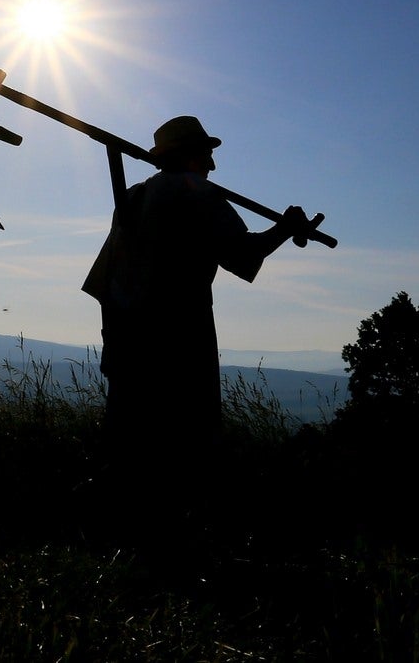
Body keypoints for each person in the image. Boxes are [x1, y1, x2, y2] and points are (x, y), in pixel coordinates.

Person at [81, 115, 318, 528]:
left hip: (127, 337)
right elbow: (242, 255)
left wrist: (117, 337)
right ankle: (177, 540)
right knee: (185, 443)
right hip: (179, 338)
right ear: (192, 155)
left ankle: (114, 532)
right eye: (207, 153)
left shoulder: (136, 196)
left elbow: (107, 278)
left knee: (127, 441)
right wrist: (284, 228)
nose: (213, 164)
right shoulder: (197, 195)